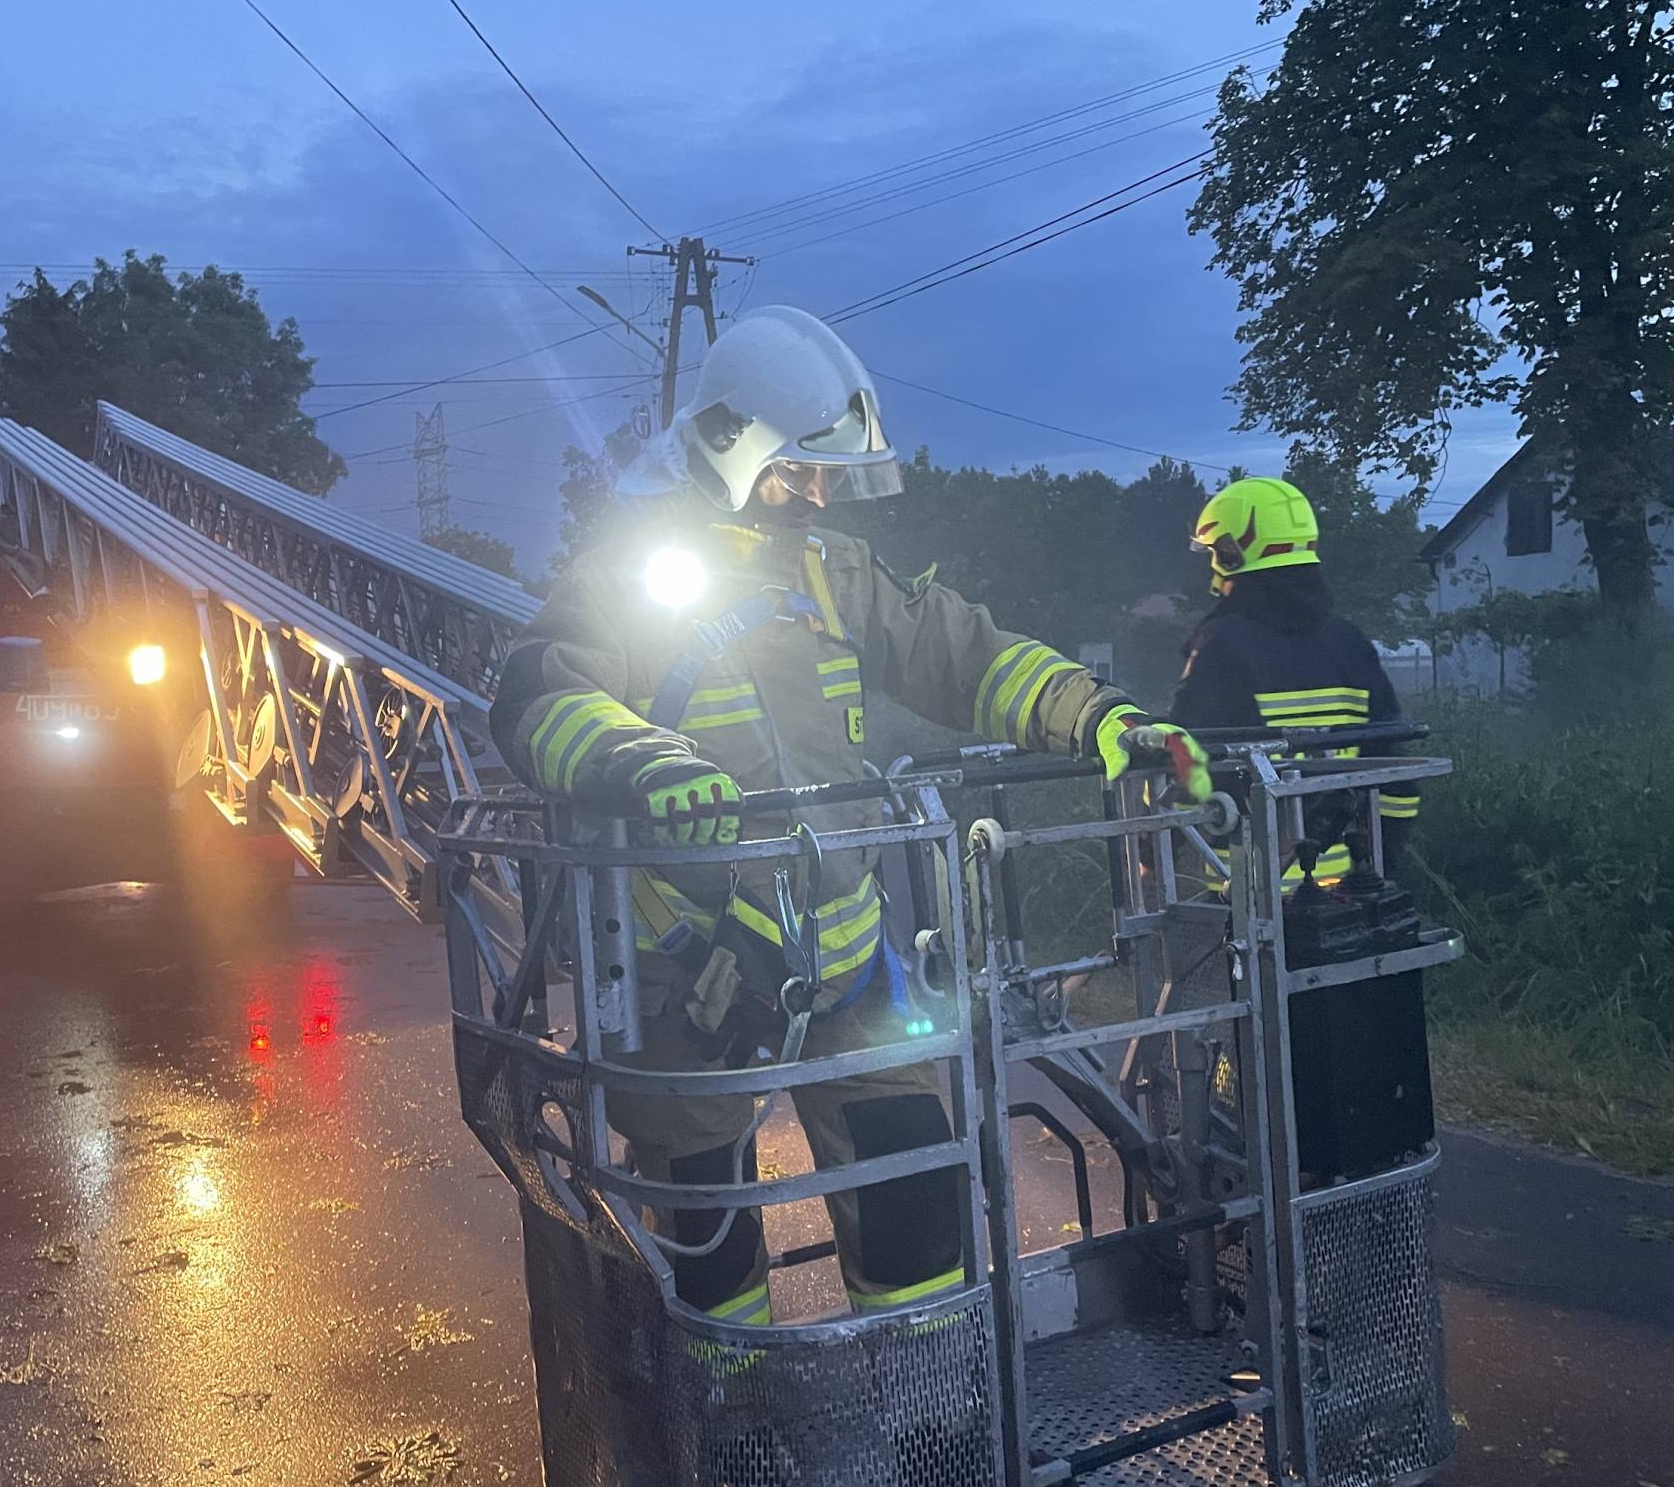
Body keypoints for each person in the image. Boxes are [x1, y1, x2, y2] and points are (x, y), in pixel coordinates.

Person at [491, 305, 1209, 1325]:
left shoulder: (835, 574)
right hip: (694, 980)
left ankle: (920, 1399)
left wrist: (1101, 717)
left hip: (850, 961)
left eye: (827, 474)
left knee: (916, 1201)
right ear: (729, 446)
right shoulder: (624, 579)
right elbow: (539, 695)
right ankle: (723, 1413)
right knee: (707, 1242)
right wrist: (642, 759)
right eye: (797, 472)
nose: (818, 494)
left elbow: (969, 657)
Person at [1170, 475, 1420, 883]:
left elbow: (1182, 758)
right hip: (1347, 892)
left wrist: (1151, 852)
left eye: (1214, 552)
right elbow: (1396, 774)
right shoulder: (1350, 643)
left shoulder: (1221, 646)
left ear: (1232, 554)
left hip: (1248, 897)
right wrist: (1379, 872)